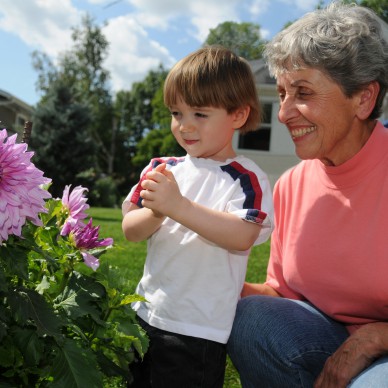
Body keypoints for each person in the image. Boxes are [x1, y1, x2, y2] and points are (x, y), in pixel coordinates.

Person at [227, 3, 388, 388]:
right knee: (252, 319)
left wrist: (377, 336)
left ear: (363, 99)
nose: (282, 114)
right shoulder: (292, 185)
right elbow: (281, 295)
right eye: (282, 93)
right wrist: (201, 275)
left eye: (302, 92)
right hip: (327, 337)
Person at [122, 46, 274, 387]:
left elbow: (242, 236)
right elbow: (131, 230)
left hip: (197, 330)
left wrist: (180, 207)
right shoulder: (161, 169)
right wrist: (157, 212)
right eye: (177, 113)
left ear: (237, 115)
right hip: (146, 315)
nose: (185, 126)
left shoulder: (246, 177)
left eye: (200, 115)